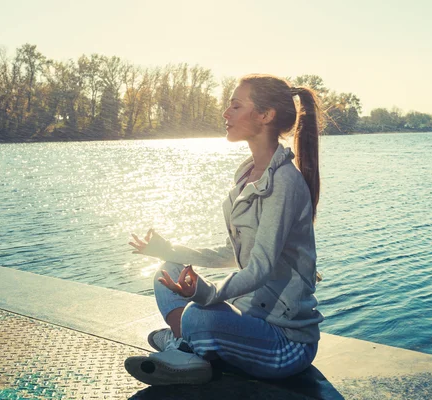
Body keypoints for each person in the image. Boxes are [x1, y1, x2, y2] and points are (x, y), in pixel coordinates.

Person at [125, 74, 324, 386]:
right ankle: (189, 345)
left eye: (235, 106)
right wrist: (169, 251)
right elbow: (234, 254)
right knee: (167, 270)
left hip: (286, 343)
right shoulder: (246, 174)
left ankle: (184, 345)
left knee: (197, 313)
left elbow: (260, 268)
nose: (225, 114)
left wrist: (207, 294)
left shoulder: (285, 181)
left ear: (265, 115)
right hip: (251, 320)